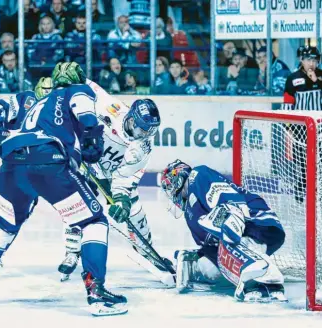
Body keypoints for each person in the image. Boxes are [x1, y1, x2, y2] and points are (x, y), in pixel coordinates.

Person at [0, 62, 127, 317]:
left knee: (4, 224)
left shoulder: (37, 102)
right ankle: (96, 290)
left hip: (12, 163)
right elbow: (86, 115)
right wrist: (93, 137)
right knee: (94, 221)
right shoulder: (76, 90)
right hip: (48, 162)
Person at [57, 81, 161, 282]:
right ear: (131, 118)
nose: (144, 135)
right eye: (141, 129)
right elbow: (87, 88)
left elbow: (125, 177)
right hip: (87, 164)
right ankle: (72, 252)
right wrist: (75, 78)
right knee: (76, 206)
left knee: (135, 211)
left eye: (149, 131)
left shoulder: (143, 147)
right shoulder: (110, 107)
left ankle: (148, 252)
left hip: (113, 177)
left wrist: (121, 200)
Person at [160, 159, 287, 303]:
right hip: (238, 234)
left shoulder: (197, 175)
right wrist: (192, 261)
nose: (170, 193)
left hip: (257, 221)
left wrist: (230, 225)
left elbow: (229, 201)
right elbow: (211, 246)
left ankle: (268, 279)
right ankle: (250, 271)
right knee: (208, 268)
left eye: (168, 187)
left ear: (177, 178)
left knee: (230, 232)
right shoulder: (190, 215)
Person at [281, 45, 322, 202]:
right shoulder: (293, 78)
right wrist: (288, 127)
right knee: (304, 162)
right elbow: (288, 104)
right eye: (307, 60)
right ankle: (301, 185)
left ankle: (313, 190)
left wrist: (316, 80)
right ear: (301, 60)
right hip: (300, 127)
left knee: (319, 160)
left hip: (319, 126)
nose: (311, 63)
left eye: (314, 60)